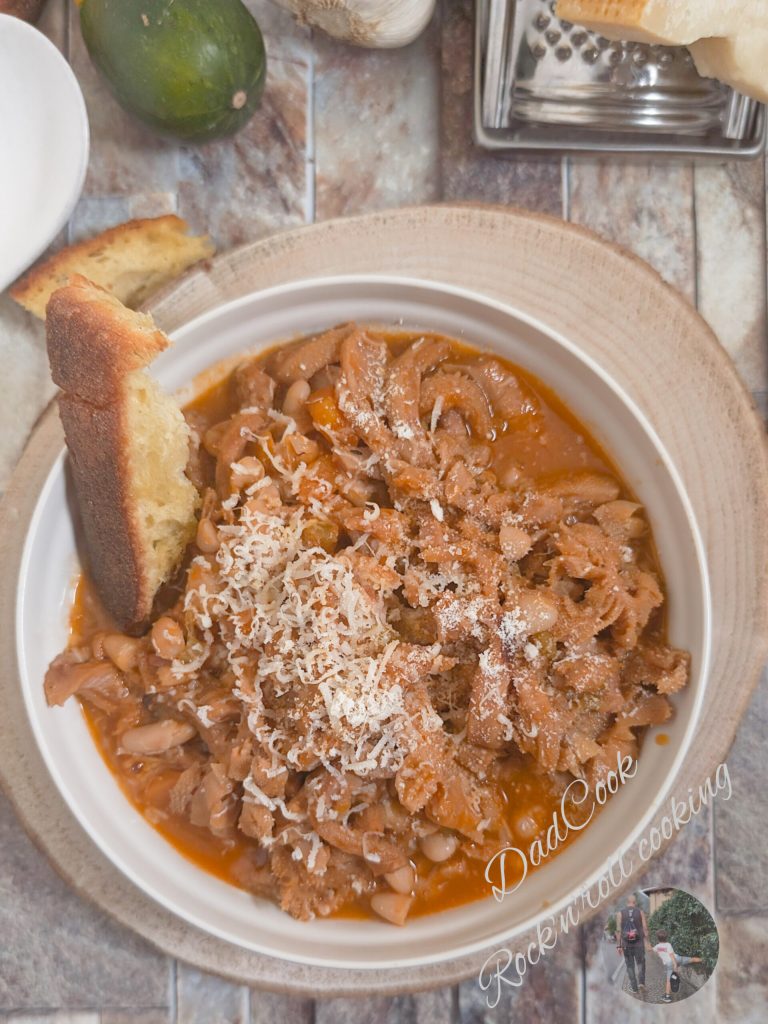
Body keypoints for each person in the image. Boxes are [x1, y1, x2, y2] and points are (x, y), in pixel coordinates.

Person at [653, 928, 703, 1003]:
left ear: (657, 938)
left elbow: (669, 955)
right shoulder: (668, 944)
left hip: (671, 963)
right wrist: (675, 963)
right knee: (691, 959)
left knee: (669, 980)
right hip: (678, 958)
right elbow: (672, 954)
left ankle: (667, 996)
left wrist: (675, 965)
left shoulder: (657, 947)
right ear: (666, 937)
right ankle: (705, 959)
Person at [616, 894, 652, 996]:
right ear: (635, 902)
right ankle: (641, 983)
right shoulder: (640, 912)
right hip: (639, 944)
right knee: (641, 963)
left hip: (626, 944)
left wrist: (619, 946)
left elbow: (618, 931)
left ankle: (634, 988)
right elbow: (645, 928)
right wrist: (648, 942)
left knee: (630, 966)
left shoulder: (620, 914)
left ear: (627, 902)